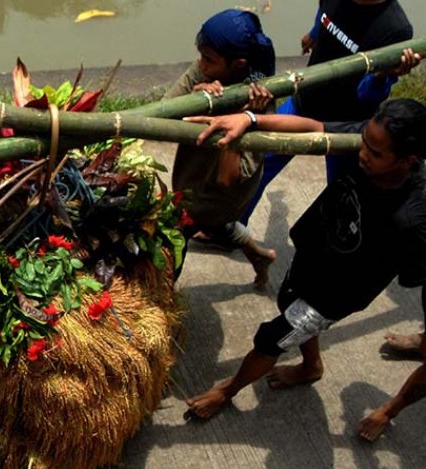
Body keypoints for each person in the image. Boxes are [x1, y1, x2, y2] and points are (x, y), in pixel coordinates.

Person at [182, 99, 426, 435]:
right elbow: (315, 128)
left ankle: (227, 390)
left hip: (334, 294)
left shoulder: (414, 219)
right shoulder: (371, 142)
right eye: (364, 142)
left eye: (375, 153)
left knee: (272, 338)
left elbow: (415, 274)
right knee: (285, 300)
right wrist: (250, 120)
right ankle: (312, 366)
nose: (362, 153)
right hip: (314, 251)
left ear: (408, 161)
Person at [240, 0, 416, 226]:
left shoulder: (395, 28)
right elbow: (324, 11)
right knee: (258, 166)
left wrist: (382, 75)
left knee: (341, 195)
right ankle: (232, 230)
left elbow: (367, 95)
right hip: (305, 101)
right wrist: (314, 33)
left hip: (343, 124)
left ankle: (333, 253)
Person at [161, 8, 277, 288]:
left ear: (237, 65)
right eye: (201, 55)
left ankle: (164, 290)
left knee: (173, 237)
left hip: (220, 192)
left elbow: (228, 178)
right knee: (217, 226)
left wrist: (238, 114)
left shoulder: (260, 100)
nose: (201, 64)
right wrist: (193, 98)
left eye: (209, 59)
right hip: (192, 172)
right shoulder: (204, 67)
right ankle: (259, 256)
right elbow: (163, 113)